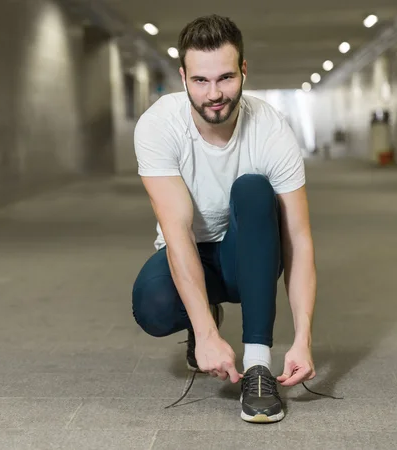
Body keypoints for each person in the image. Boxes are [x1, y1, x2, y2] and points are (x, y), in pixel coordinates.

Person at [131, 15, 317, 423]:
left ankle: (258, 366)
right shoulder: (159, 126)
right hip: (192, 250)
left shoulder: (270, 129)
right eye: (200, 80)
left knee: (253, 189)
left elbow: (299, 240)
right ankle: (208, 314)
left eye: (226, 78)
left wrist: (303, 338)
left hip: (249, 254)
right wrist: (205, 332)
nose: (214, 94)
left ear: (244, 71)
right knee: (154, 306)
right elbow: (177, 232)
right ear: (183, 77)